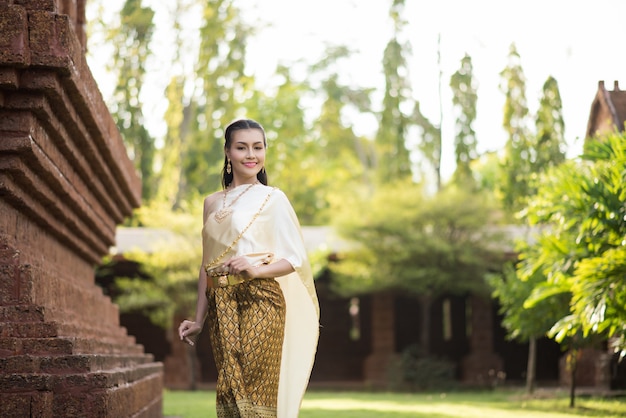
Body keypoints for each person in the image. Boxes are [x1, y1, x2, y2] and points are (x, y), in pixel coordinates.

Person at [178, 118, 319, 418]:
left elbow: (293, 259)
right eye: (242, 147)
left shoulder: (273, 199)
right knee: (229, 387)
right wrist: (199, 319)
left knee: (253, 391)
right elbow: (206, 266)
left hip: (261, 299)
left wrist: (254, 270)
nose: (251, 155)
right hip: (221, 305)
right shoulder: (211, 202)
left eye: (258, 147)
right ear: (228, 152)